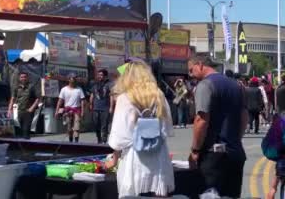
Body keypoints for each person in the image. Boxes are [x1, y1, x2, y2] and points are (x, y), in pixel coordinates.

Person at [104, 61, 174, 197]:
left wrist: (114, 159)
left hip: (134, 156)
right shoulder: (159, 95)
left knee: (133, 194)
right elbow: (166, 128)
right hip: (158, 153)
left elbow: (120, 135)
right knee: (159, 193)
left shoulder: (125, 98)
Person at [188, 54, 247, 199]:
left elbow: (201, 120)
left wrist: (195, 150)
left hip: (213, 156)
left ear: (200, 65)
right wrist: (235, 139)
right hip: (235, 153)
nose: (190, 75)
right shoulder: (237, 85)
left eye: (191, 70)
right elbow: (244, 117)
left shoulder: (205, 85)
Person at [7, 72, 40, 139]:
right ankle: (17, 148)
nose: (23, 78)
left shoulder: (31, 87)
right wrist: (9, 110)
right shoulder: (16, 88)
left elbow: (37, 99)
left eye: (25, 77)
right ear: (19, 78)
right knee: (17, 131)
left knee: (25, 131)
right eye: (22, 77)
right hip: (17, 111)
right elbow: (12, 99)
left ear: (27, 78)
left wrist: (32, 108)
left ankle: (27, 147)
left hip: (27, 112)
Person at [54, 75, 85, 143]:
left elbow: (82, 101)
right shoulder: (64, 89)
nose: (73, 81)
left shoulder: (79, 89)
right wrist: (57, 111)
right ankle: (70, 141)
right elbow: (60, 101)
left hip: (76, 110)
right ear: (69, 80)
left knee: (77, 127)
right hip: (67, 111)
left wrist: (82, 111)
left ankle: (76, 142)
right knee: (69, 128)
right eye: (72, 79)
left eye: (75, 79)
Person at [90, 69, 112, 143]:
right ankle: (99, 139)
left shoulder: (108, 84)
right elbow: (92, 95)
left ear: (105, 76)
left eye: (101, 75)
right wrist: (90, 104)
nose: (99, 76)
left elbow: (111, 96)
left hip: (105, 108)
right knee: (96, 125)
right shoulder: (95, 85)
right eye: (98, 75)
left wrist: (111, 107)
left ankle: (104, 140)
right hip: (96, 108)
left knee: (104, 125)